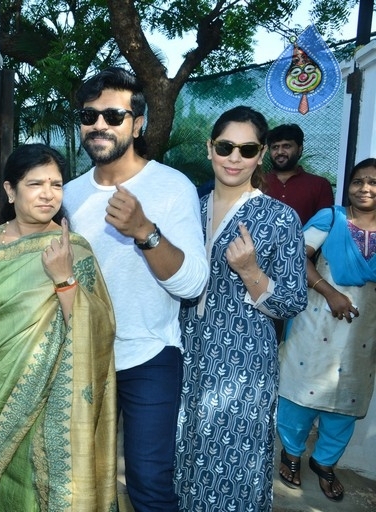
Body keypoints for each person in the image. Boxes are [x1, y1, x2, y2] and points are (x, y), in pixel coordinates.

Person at [62, 67, 209, 512]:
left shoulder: (171, 186)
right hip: (82, 357)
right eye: (89, 116)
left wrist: (145, 231)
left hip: (149, 355)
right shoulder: (67, 195)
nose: (99, 125)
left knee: (148, 481)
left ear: (138, 123)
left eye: (113, 115)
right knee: (78, 476)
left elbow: (193, 284)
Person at [0, 143, 117, 511]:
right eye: (36, 184)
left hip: (48, 397)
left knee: (40, 490)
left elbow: (96, 329)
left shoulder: (73, 249)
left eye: (56, 184)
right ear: (10, 190)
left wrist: (65, 279)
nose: (49, 194)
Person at [175, 106, 308, 511]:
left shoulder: (279, 218)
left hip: (243, 363)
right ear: (209, 149)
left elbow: (292, 300)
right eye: (225, 146)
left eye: (246, 148)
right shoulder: (186, 210)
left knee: (234, 464)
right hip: (182, 353)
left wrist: (251, 271)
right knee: (181, 456)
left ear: (261, 154)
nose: (235, 157)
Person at [276, 158, 376, 502]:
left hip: (363, 332)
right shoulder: (331, 219)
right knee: (300, 396)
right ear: (347, 186)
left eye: (374, 182)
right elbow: (295, 257)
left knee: (347, 399)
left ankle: (324, 463)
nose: (365, 188)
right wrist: (330, 292)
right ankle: (290, 452)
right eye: (358, 181)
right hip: (316, 320)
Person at [265, 123, 334, 225]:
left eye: (286, 146)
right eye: (275, 147)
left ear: (300, 149)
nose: (279, 152)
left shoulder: (319, 185)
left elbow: (323, 225)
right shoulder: (257, 183)